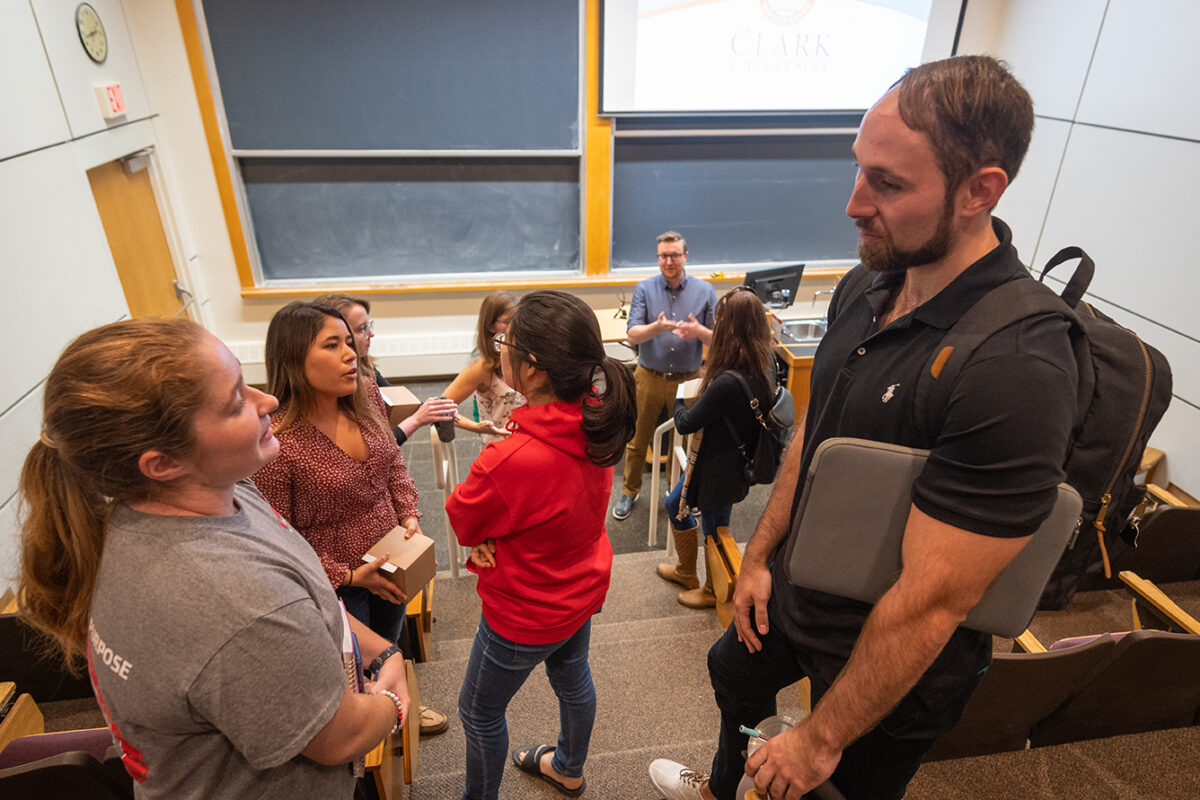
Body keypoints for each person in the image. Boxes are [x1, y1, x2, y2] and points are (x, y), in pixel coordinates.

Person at [649, 56, 1078, 800]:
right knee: (731, 674)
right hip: (801, 588)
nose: (852, 203)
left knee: (826, 788)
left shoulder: (1018, 366)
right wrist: (760, 555)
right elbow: (814, 434)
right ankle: (725, 788)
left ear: (981, 191)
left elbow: (933, 601)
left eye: (887, 183)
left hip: (900, 654)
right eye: (859, 170)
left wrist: (817, 741)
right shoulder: (867, 282)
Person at [17, 318, 408, 800]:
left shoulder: (223, 489)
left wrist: (380, 651)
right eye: (236, 402)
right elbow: (339, 737)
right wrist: (393, 697)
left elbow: (306, 601)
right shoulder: (235, 599)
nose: (267, 402)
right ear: (162, 463)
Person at [446, 290, 637, 800]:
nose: (498, 348)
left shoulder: (511, 460)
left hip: (524, 611)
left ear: (530, 370)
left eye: (505, 342)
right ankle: (568, 767)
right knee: (572, 678)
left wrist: (487, 532)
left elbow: (462, 516)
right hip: (579, 588)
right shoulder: (599, 422)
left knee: (478, 711)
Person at [252, 301, 448, 737]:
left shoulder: (366, 399)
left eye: (349, 342)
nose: (351, 354)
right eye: (332, 345)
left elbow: (393, 464)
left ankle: (399, 707)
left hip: (391, 555)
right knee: (351, 672)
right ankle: (370, 737)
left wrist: (409, 513)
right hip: (338, 581)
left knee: (391, 647)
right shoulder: (277, 442)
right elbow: (279, 539)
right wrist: (349, 575)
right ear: (293, 358)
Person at [656, 286, 778, 609]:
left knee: (714, 532)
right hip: (734, 460)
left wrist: (682, 395)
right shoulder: (765, 362)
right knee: (674, 504)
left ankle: (713, 590)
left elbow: (685, 423)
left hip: (719, 470)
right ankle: (686, 570)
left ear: (730, 328)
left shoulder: (728, 381)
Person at [613, 231, 716, 521]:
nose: (668, 261)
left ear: (685, 256)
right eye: (663, 255)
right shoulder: (644, 289)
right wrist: (656, 328)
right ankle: (630, 492)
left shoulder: (704, 291)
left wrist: (699, 332)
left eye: (674, 255)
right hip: (649, 375)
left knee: (682, 442)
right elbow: (632, 332)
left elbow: (718, 339)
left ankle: (677, 494)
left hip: (688, 380)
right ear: (658, 257)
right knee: (637, 437)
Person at [313, 292, 458, 446]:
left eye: (369, 326)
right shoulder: (335, 388)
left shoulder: (365, 369)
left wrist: (432, 408)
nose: (371, 334)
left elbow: (396, 398)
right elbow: (373, 451)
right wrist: (416, 420)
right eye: (362, 329)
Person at [441, 290, 526, 443]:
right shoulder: (482, 368)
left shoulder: (525, 356)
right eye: (508, 322)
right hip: (500, 449)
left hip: (529, 443)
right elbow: (440, 408)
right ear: (491, 326)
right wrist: (477, 427)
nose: (515, 327)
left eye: (518, 320)